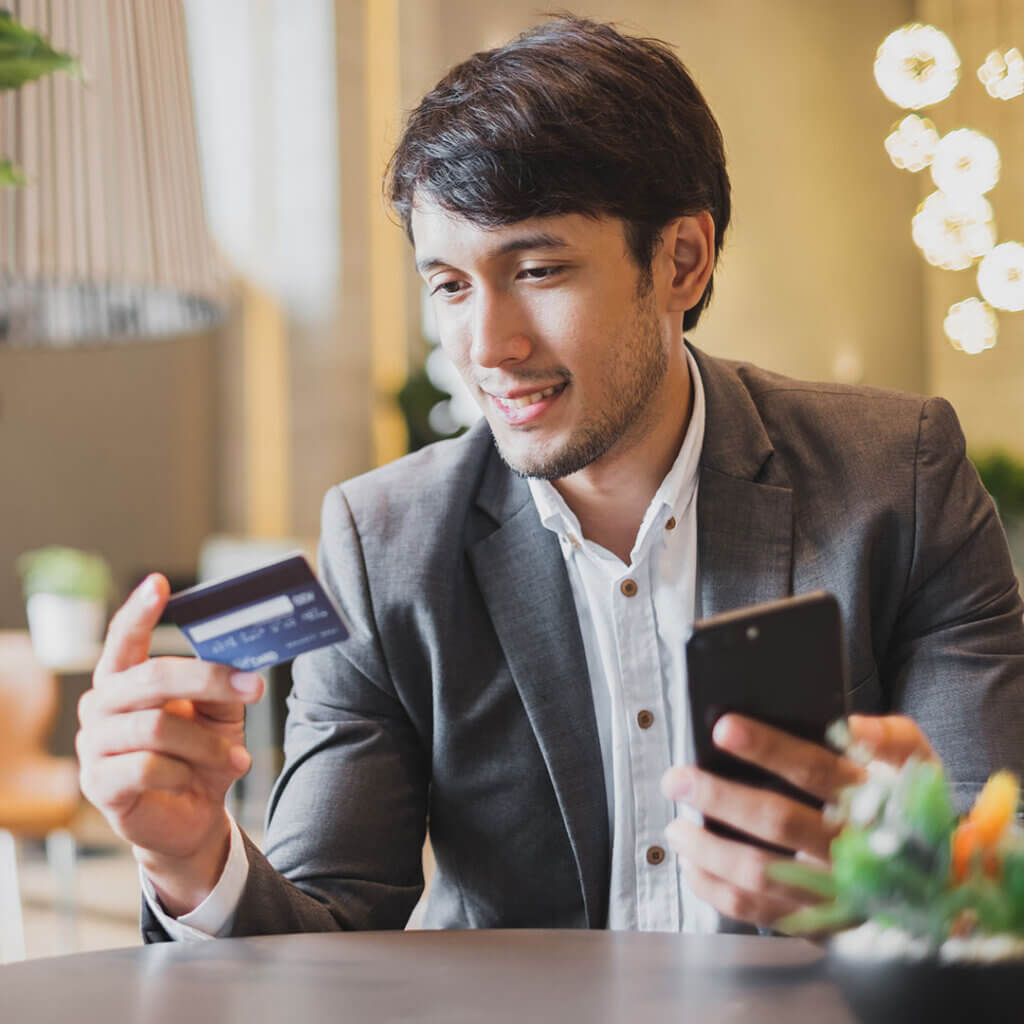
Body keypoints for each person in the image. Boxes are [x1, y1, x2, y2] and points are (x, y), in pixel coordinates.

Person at [77, 16, 1024, 940]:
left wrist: (895, 882)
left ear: (681, 261)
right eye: (449, 285)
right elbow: (326, 940)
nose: (487, 347)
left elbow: (1000, 847)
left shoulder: (896, 478)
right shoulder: (385, 544)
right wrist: (191, 858)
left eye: (536, 269)